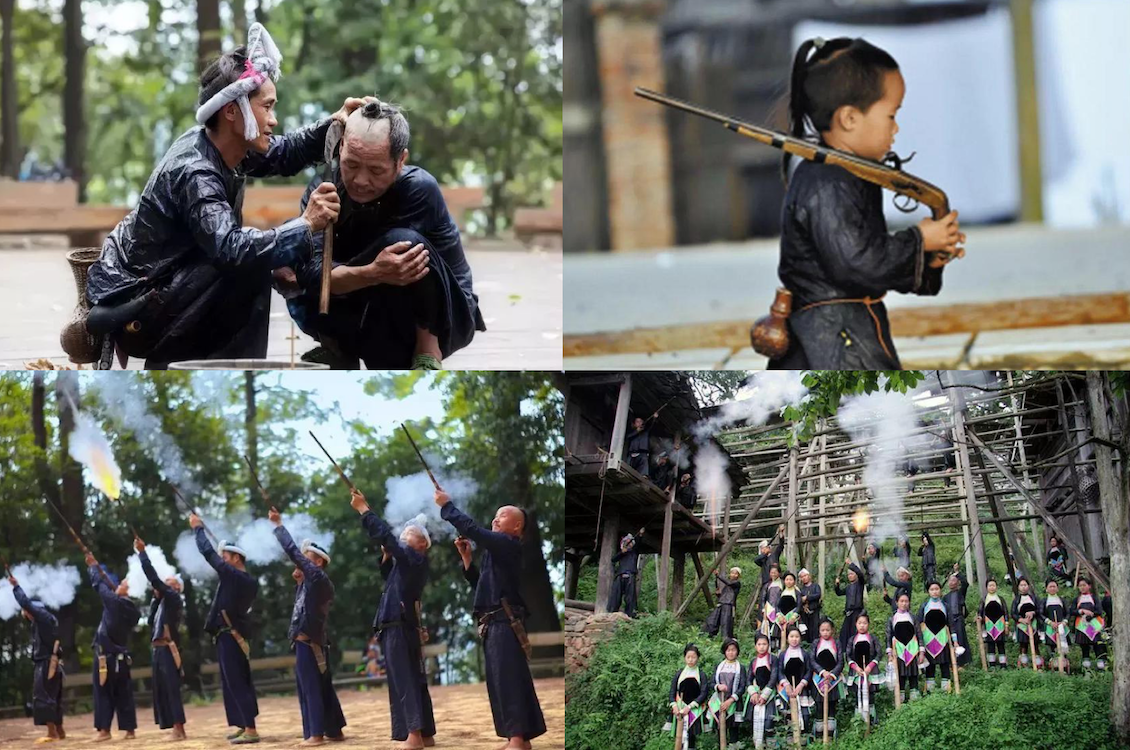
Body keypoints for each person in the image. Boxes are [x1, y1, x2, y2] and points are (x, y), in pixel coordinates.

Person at [85, 23, 368, 368]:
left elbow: (285, 152)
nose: (274, 120)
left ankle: (223, 368)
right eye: (267, 107)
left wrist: (334, 124)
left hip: (174, 286)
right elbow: (234, 251)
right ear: (233, 111)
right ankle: (209, 371)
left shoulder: (227, 144)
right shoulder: (195, 172)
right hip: (140, 308)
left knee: (258, 257)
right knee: (251, 264)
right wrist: (306, 223)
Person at [767, 37, 962, 369]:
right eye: (890, 115)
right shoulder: (825, 182)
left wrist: (932, 257)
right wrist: (919, 240)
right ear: (849, 119)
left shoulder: (848, 175)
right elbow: (856, 263)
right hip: (831, 341)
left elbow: (870, 261)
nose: (896, 127)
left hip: (846, 330)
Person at [276, 99, 486, 369]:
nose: (361, 181)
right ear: (341, 148)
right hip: (365, 297)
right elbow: (316, 274)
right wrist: (369, 272)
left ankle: (427, 352)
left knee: (402, 245)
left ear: (400, 161)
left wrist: (325, 274)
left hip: (437, 316)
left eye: (376, 170)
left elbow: (390, 267)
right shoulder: (324, 189)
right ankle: (336, 346)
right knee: (286, 250)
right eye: (351, 165)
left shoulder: (418, 188)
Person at [436, 489, 546, 748]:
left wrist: (447, 506)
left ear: (516, 525)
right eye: (496, 516)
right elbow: (482, 588)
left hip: (504, 622)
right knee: (501, 680)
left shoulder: (508, 544)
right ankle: (518, 738)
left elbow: (472, 529)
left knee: (507, 678)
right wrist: (467, 560)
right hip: (494, 623)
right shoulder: (495, 553)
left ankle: (518, 739)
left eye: (503, 516)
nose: (496, 519)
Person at [351, 491, 433, 748]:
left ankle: (414, 735)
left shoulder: (413, 557)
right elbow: (389, 573)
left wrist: (364, 510)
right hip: (401, 625)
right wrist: (387, 555)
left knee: (403, 679)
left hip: (398, 626)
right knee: (413, 678)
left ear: (422, 544)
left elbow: (387, 536)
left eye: (410, 534)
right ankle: (426, 733)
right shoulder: (407, 563)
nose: (404, 534)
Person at [270, 507, 346, 746]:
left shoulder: (318, 578)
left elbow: (293, 552)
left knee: (310, 688)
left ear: (319, 562)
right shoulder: (309, 581)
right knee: (319, 687)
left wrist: (279, 526)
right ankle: (333, 730)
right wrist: (299, 582)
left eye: (308, 558)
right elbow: (304, 608)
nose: (302, 561)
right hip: (310, 641)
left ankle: (315, 735)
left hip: (310, 642)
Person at [190, 514, 261, 744]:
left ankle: (250, 729)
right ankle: (243, 724)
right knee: (232, 682)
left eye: (225, 556)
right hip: (227, 635)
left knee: (238, 682)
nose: (221, 560)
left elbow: (208, 554)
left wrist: (198, 529)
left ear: (236, 558)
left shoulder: (236, 577)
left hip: (231, 635)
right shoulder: (238, 578)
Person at [134, 538, 187, 740]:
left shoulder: (174, 598)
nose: (166, 584)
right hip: (158, 649)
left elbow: (154, 579)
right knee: (163, 689)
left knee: (171, 688)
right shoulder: (163, 602)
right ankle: (173, 726)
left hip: (167, 649)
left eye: (170, 583)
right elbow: (149, 622)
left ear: (177, 588)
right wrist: (156, 598)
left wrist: (142, 553)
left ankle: (179, 729)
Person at [85, 552, 140, 742]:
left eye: (123, 584)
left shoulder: (115, 603)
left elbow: (100, 586)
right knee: (124, 693)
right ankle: (129, 730)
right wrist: (100, 568)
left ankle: (104, 730)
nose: (120, 585)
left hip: (106, 657)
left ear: (128, 591)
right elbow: (106, 585)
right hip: (120, 658)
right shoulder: (132, 609)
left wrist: (93, 567)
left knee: (103, 693)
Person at [7, 573, 65, 743]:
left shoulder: (42, 618)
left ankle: (52, 732)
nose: (26, 613)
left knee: (43, 696)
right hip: (52, 662)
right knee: (53, 697)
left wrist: (16, 586)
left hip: (46, 663)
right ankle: (59, 731)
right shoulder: (44, 621)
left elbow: (25, 603)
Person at [666, 644, 710, 750]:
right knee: (679, 737)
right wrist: (674, 706)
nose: (691, 660)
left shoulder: (701, 675)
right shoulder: (679, 674)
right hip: (679, 709)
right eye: (688, 657)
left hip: (694, 710)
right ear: (685, 658)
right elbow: (672, 692)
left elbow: (703, 693)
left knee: (691, 738)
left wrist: (690, 707)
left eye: (693, 657)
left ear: (698, 658)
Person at [742, 633, 780, 749]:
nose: (762, 647)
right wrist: (753, 692)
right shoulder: (753, 661)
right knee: (756, 722)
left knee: (769, 723)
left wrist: (765, 695)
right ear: (755, 646)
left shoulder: (773, 659)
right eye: (759, 644)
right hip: (755, 696)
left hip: (769, 695)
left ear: (768, 645)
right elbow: (748, 679)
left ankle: (771, 747)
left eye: (764, 644)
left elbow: (774, 677)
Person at [844, 613, 882, 723]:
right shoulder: (852, 640)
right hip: (857, 673)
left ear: (868, 624)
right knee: (858, 694)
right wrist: (856, 667)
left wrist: (870, 667)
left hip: (870, 672)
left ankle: (872, 719)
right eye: (859, 623)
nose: (862, 626)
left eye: (864, 623)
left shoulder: (873, 639)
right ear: (856, 624)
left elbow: (878, 654)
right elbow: (848, 655)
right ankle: (859, 720)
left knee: (870, 695)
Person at [918, 580, 955, 692]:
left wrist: (955, 641)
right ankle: (930, 691)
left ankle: (946, 691)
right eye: (932, 589)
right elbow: (918, 624)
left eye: (936, 589)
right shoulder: (924, 606)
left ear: (940, 591)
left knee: (944, 664)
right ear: (928, 592)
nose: (934, 592)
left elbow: (951, 624)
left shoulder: (946, 606)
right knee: (930, 666)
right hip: (928, 641)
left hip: (942, 640)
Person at [708, 639, 746, 747]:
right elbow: (711, 683)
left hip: (734, 702)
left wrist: (730, 700)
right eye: (728, 650)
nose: (731, 652)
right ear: (724, 651)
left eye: (733, 650)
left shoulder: (740, 668)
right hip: (719, 702)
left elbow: (742, 687)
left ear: (737, 651)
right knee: (720, 730)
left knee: (734, 730)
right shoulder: (719, 666)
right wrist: (718, 686)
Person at [809, 618, 842, 739]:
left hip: (833, 679)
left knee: (832, 704)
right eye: (823, 630)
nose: (825, 632)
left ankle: (830, 732)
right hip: (818, 679)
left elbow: (840, 661)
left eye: (828, 630)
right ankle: (818, 732)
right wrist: (822, 672)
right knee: (819, 705)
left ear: (832, 630)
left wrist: (832, 674)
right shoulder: (815, 643)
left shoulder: (837, 643)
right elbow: (811, 660)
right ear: (819, 631)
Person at [776, 627, 813, 736]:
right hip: (787, 690)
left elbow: (809, 671)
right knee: (787, 715)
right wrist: (786, 684)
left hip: (801, 689)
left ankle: (803, 736)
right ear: (787, 638)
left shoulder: (805, 654)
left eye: (797, 636)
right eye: (791, 636)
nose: (794, 639)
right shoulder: (783, 655)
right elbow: (780, 671)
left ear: (800, 638)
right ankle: (790, 737)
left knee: (805, 715)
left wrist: (801, 685)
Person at [886, 592, 921, 700]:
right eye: (902, 601)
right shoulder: (892, 619)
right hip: (898, 651)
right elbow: (888, 635)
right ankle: (900, 699)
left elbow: (919, 633)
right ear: (897, 603)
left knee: (913, 674)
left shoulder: (913, 617)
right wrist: (889, 653)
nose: (904, 603)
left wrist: (922, 650)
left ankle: (914, 699)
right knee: (900, 674)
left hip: (912, 649)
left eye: (906, 601)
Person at [1071, 578, 1108, 670]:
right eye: (1080, 586)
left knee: (1097, 645)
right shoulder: (1077, 599)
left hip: (1094, 626)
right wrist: (1081, 611)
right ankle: (1086, 669)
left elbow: (1099, 610)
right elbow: (1072, 611)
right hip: (1082, 626)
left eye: (1084, 585)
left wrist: (1090, 616)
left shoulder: (1094, 598)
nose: (1082, 587)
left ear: (1089, 586)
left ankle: (1101, 668)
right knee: (1084, 647)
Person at [609, 529, 644, 618]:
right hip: (620, 575)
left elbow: (638, 544)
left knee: (630, 597)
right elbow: (613, 559)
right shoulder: (622, 553)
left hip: (630, 575)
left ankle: (631, 614)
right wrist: (622, 552)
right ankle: (611, 612)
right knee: (615, 595)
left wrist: (640, 535)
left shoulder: (634, 552)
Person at [977, 578, 1010, 669]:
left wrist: (1006, 624)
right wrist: (979, 618)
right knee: (990, 645)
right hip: (989, 626)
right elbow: (980, 611)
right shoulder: (983, 600)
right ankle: (992, 665)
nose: (992, 587)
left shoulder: (1001, 599)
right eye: (990, 585)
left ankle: (1003, 665)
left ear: (996, 587)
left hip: (1000, 625)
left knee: (1001, 645)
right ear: (987, 587)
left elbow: (1005, 612)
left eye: (993, 585)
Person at [1012, 576, 1043, 670]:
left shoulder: (1034, 598)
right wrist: (1021, 620)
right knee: (1023, 646)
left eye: (1025, 585)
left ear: (1028, 586)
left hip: (1034, 625)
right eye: (1021, 585)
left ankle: (1038, 666)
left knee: (1036, 645)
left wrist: (1033, 613)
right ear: (1018, 587)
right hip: (1022, 626)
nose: (1023, 587)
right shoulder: (1016, 600)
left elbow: (1039, 610)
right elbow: (1013, 613)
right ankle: (1023, 665)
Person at [833, 560, 865, 650]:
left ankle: (856, 649)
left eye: (852, 574)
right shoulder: (848, 587)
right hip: (848, 613)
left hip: (857, 612)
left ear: (855, 575)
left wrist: (851, 564)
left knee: (855, 632)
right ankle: (843, 651)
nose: (850, 576)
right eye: (849, 575)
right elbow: (838, 593)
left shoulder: (860, 584)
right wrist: (837, 585)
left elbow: (861, 574)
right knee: (844, 633)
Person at [943, 568, 971, 667]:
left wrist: (957, 572)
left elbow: (965, 583)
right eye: (950, 580)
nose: (951, 582)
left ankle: (962, 663)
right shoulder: (945, 597)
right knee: (950, 641)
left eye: (954, 580)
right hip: (950, 622)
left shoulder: (961, 592)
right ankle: (952, 662)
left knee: (961, 640)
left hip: (959, 619)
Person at [704, 567, 741, 641]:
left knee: (726, 624)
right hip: (721, 604)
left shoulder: (737, 583)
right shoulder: (727, 585)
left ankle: (726, 641)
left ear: (738, 575)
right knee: (712, 621)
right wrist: (718, 594)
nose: (733, 574)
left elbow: (729, 583)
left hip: (728, 605)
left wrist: (718, 575)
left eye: (735, 573)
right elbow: (723, 595)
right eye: (732, 573)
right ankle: (708, 638)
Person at [1042, 579, 1070, 672]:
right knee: (1053, 648)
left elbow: (1068, 613)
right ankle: (1054, 669)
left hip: (1062, 627)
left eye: (1054, 586)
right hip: (1050, 628)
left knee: (1063, 648)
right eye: (1050, 586)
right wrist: (1050, 622)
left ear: (1057, 588)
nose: (1052, 588)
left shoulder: (1062, 600)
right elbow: (1040, 614)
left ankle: (1065, 669)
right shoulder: (1044, 601)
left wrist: (1064, 622)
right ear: (1046, 589)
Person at [774, 572, 803, 649]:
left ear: (794, 581)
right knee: (780, 635)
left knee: (792, 633)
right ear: (784, 581)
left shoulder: (797, 593)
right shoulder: (780, 592)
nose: (789, 581)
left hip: (792, 618)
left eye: (791, 579)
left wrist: (793, 616)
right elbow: (777, 605)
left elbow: (799, 605)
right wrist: (779, 616)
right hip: (781, 618)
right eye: (787, 579)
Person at [624, 413, 658, 478]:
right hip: (632, 454)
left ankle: (644, 475)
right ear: (634, 424)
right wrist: (637, 431)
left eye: (641, 422)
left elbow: (651, 425)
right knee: (628, 465)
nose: (639, 423)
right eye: (637, 422)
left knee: (644, 460)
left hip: (642, 453)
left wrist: (654, 418)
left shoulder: (646, 431)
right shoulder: (631, 432)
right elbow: (628, 437)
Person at [797, 568, 822, 644]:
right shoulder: (801, 589)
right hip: (804, 613)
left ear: (809, 576)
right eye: (802, 577)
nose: (804, 578)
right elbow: (799, 600)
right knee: (805, 631)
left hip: (814, 611)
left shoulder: (815, 586)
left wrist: (807, 597)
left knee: (815, 630)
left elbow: (818, 595)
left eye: (805, 576)